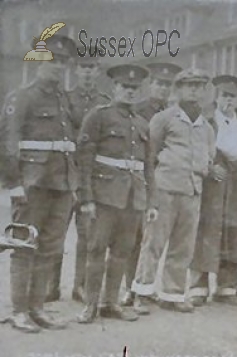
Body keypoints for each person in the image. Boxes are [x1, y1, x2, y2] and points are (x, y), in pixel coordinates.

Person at [3, 35, 77, 333]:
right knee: (24, 245)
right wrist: (13, 183)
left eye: (62, 62)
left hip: (60, 183)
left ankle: (37, 308)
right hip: (32, 184)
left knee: (50, 247)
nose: (57, 67)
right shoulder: (22, 96)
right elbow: (7, 143)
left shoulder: (63, 99)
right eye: (51, 60)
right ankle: (19, 311)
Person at [76, 64, 158, 323]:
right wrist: (86, 198)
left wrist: (150, 202)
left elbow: (148, 167)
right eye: (125, 87)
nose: (130, 92)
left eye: (135, 88)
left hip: (133, 199)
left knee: (123, 250)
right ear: (115, 88)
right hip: (104, 196)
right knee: (96, 249)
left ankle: (110, 302)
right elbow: (84, 159)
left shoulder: (143, 124)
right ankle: (90, 305)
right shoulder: (98, 116)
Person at [132, 68, 214, 314]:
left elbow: (209, 157)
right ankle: (142, 292)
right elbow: (151, 154)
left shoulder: (206, 127)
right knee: (154, 242)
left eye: (199, 86)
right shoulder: (165, 118)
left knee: (183, 246)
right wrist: (152, 191)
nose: (194, 90)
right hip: (165, 188)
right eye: (188, 85)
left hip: (192, 192)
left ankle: (173, 293)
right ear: (178, 90)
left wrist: (204, 169)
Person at [189, 75, 237, 306]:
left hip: (236, 184)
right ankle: (198, 285)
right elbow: (195, 146)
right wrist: (210, 166)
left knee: (233, 229)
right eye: (225, 96)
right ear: (217, 97)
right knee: (207, 229)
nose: (229, 101)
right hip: (213, 184)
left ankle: (227, 286)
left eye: (234, 97)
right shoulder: (207, 119)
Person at [122, 62, 182, 309]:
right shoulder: (137, 109)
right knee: (136, 236)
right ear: (151, 84)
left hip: (162, 180)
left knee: (156, 237)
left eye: (168, 84)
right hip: (140, 178)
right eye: (159, 83)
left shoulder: (174, 113)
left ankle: (145, 288)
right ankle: (130, 289)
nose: (163, 88)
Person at [64, 54, 111, 304]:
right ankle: (49, 287)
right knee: (55, 232)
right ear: (75, 70)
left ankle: (80, 285)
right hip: (63, 172)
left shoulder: (105, 104)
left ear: (98, 70)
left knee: (86, 234)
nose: (88, 72)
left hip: (90, 175)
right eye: (83, 67)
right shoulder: (64, 99)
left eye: (92, 67)